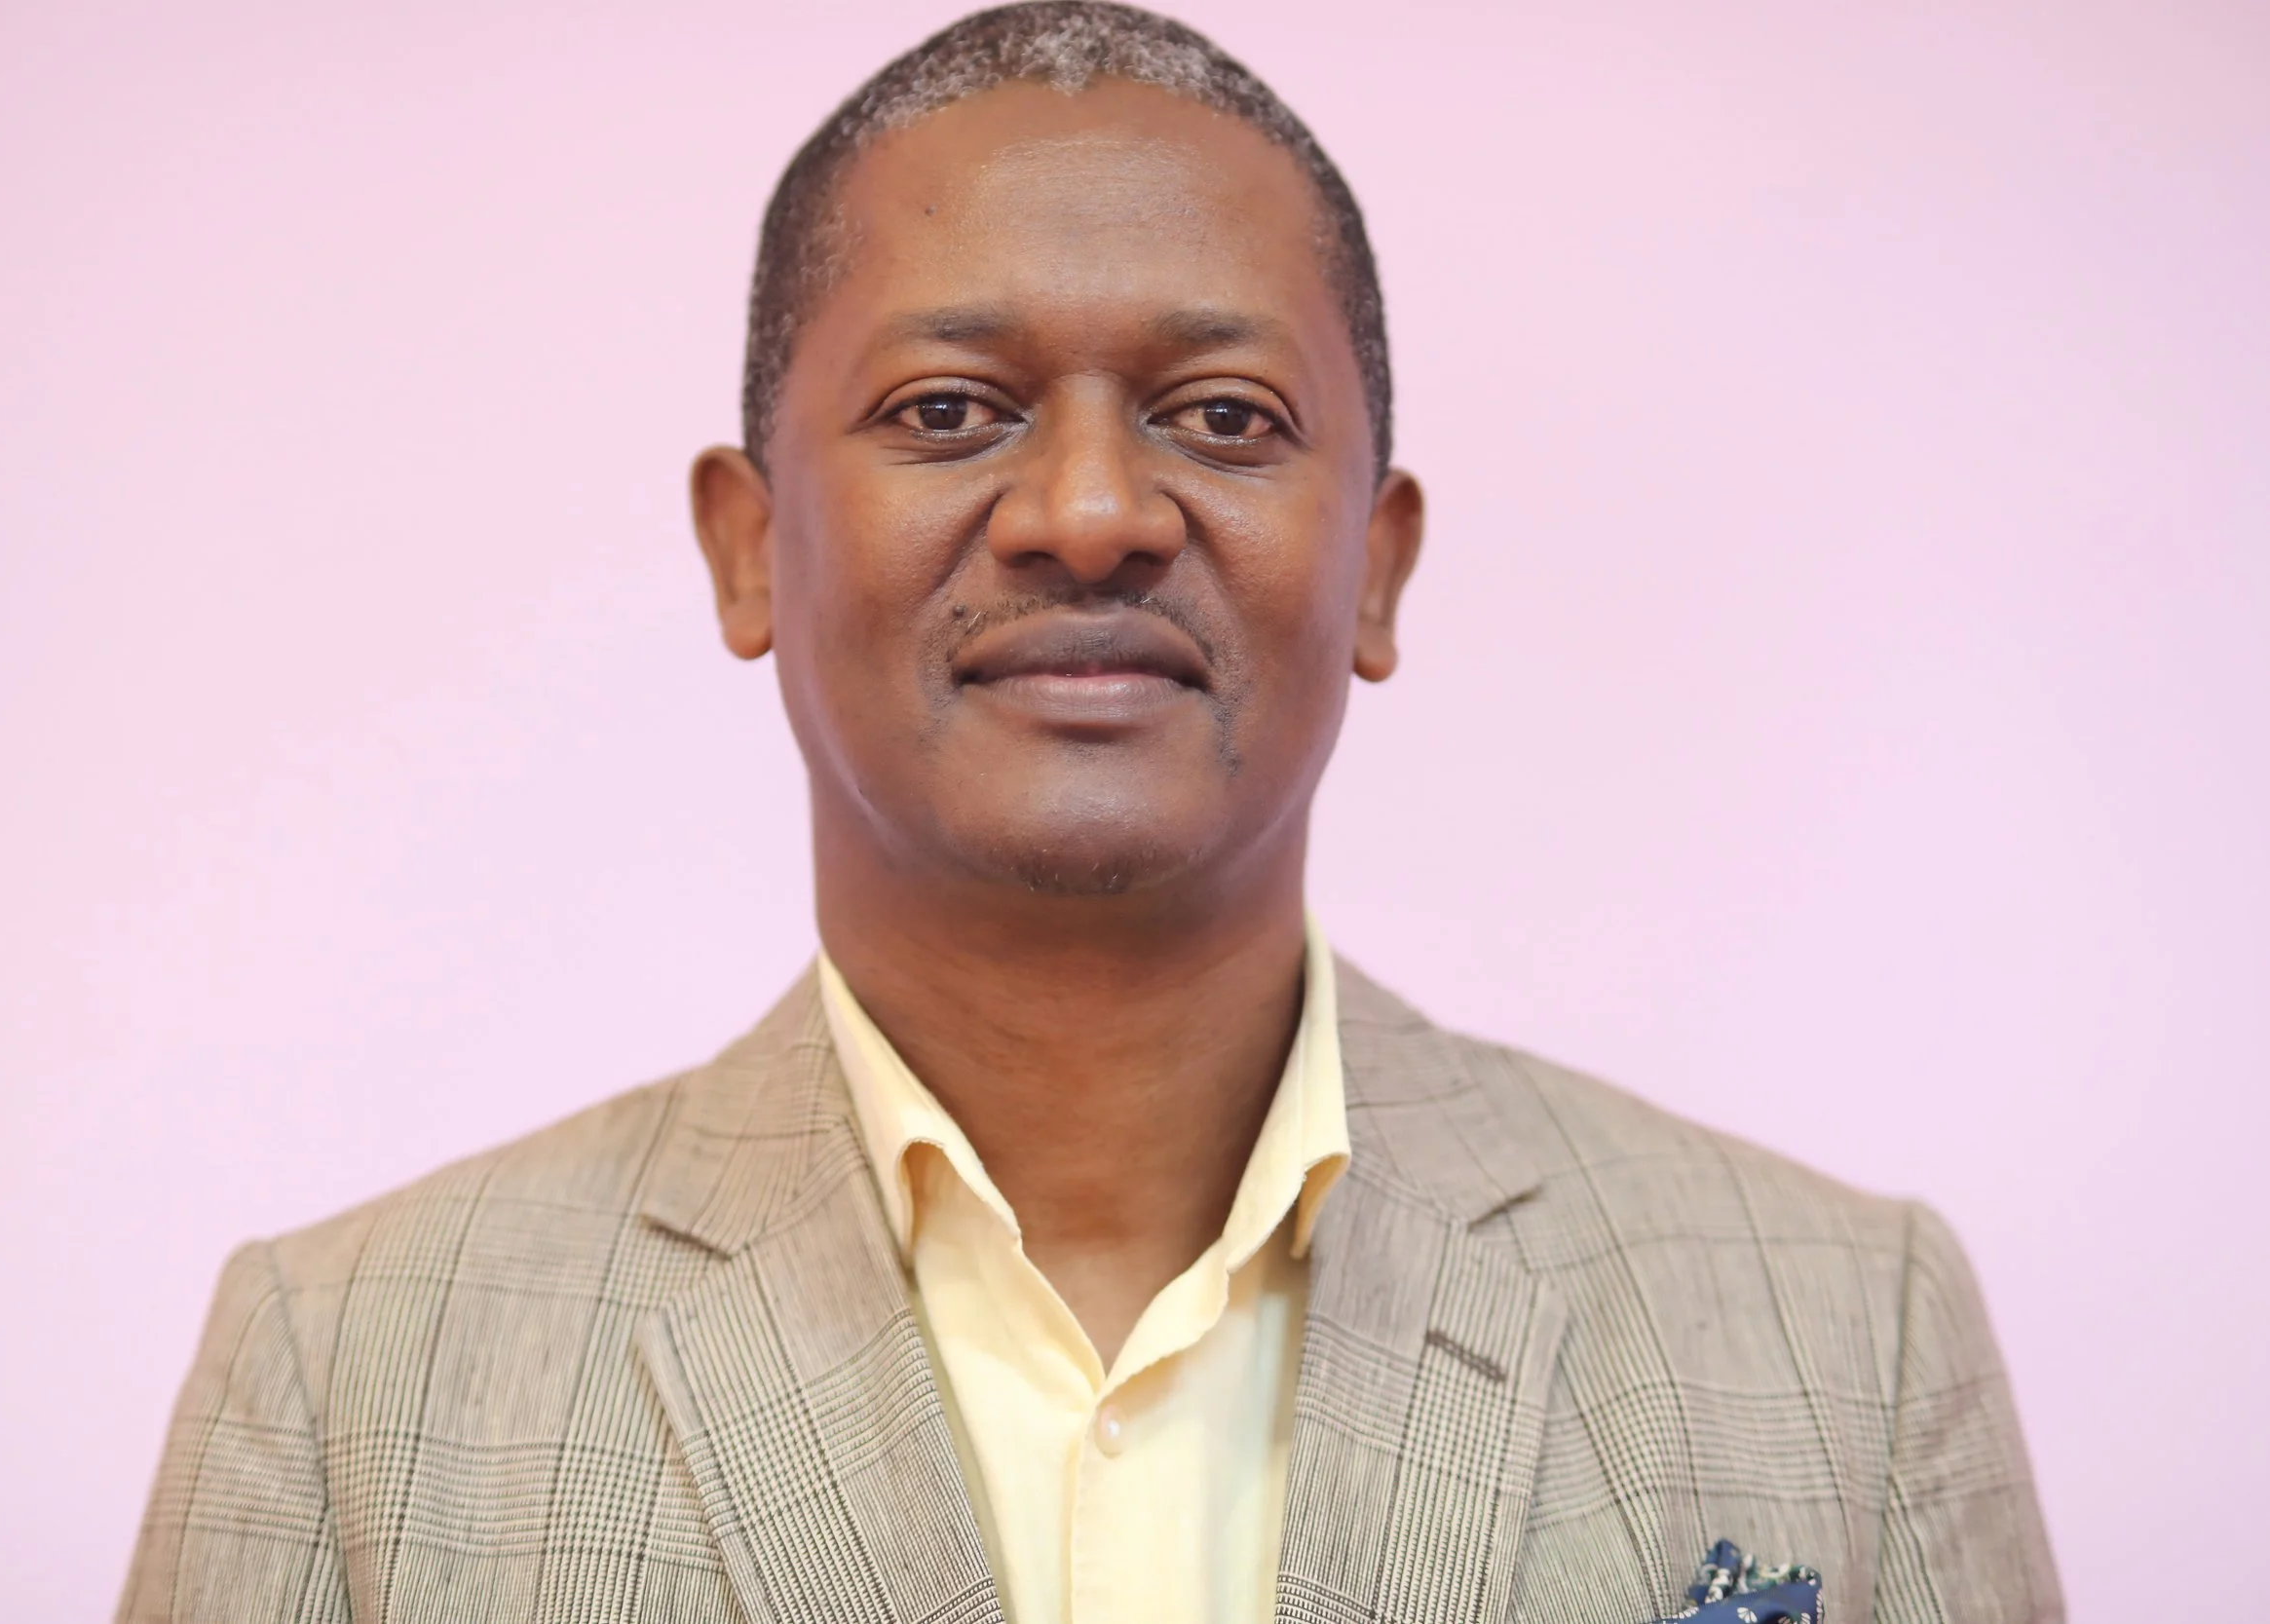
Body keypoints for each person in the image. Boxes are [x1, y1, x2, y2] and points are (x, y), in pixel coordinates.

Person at [119, 5, 2062, 1621]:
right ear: (747, 549)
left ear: (1375, 566)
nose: (1088, 513)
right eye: (947, 410)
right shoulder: (352, 1384)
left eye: (1219, 416)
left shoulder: (1843, 1338)